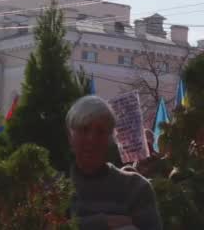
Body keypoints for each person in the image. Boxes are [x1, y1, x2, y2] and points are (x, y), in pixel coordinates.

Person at [66, 95, 162, 230]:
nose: (92, 139)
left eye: (100, 131)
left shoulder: (136, 188)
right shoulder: (52, 190)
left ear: (111, 139)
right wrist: (103, 222)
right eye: (84, 129)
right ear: (70, 136)